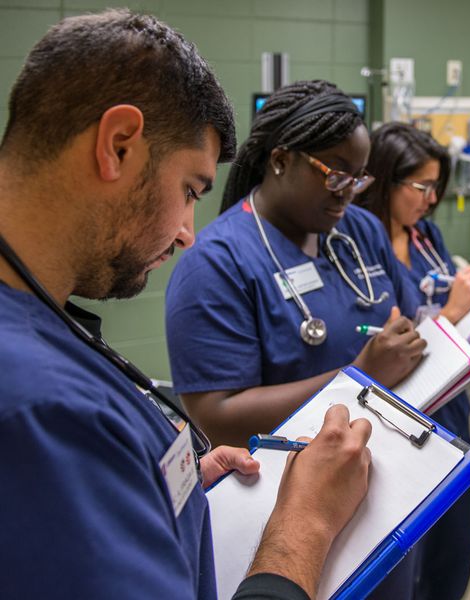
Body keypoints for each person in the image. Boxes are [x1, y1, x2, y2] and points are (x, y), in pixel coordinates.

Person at [0, 10, 371, 600]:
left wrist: (163, 486)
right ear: (118, 145)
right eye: (189, 190)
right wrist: (307, 523)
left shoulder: (39, 316)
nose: (186, 233)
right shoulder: (40, 412)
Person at [164, 80, 425, 598]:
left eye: (358, 177)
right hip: (287, 517)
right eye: (335, 174)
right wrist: (360, 377)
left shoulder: (360, 230)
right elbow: (215, 413)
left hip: (386, 484)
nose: (348, 192)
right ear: (281, 160)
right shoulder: (216, 264)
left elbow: (405, 313)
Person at [355, 122, 470, 600]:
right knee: (403, 562)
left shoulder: (427, 237)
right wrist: (454, 312)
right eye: (420, 186)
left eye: (436, 187)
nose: (430, 198)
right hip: (394, 422)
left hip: (450, 412)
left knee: (453, 551)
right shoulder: (355, 248)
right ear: (384, 179)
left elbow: (452, 324)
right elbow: (385, 346)